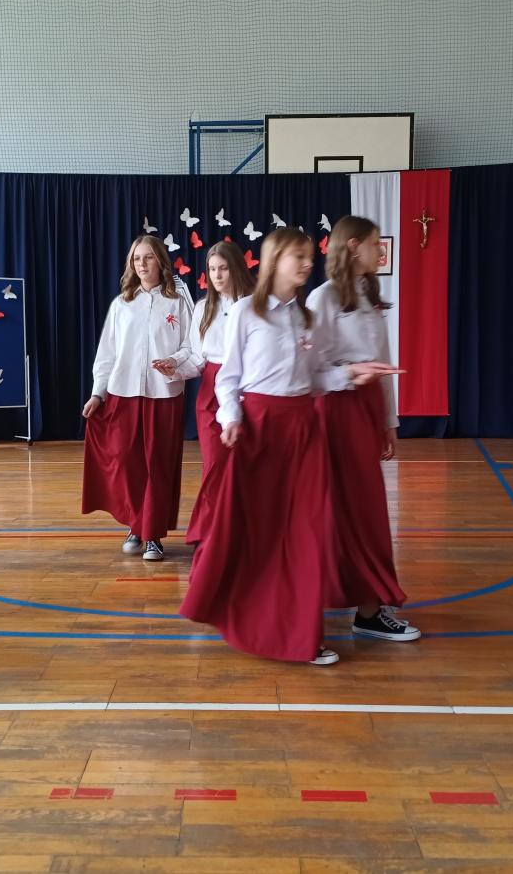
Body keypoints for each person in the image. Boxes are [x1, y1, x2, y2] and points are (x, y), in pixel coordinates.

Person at [180, 228, 400, 665]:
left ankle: (301, 633)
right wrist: (231, 419)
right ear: (275, 259)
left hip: (304, 431)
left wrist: (350, 374)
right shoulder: (245, 312)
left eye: (308, 256)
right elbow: (228, 378)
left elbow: (314, 379)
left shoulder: (304, 317)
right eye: (297, 256)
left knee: (306, 533)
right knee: (261, 533)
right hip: (261, 431)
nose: (307, 263)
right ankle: (263, 622)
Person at [308, 215, 419, 642]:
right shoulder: (323, 298)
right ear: (353, 247)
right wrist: (350, 374)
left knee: (366, 510)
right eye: (375, 244)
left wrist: (388, 422)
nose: (380, 251)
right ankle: (360, 606)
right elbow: (312, 369)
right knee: (344, 510)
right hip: (336, 411)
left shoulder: (370, 296)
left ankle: (368, 606)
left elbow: (383, 364)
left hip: (364, 410)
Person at [82, 235, 194, 561]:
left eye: (148, 257)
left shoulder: (178, 301)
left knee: (158, 464)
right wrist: (98, 393)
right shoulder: (122, 304)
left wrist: (173, 361)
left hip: (164, 394)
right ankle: (136, 524)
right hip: (124, 394)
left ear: (160, 261)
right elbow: (107, 353)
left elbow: (191, 345)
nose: (142, 264)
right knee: (127, 463)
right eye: (136, 259)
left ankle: (152, 535)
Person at [162, 240, 255, 477]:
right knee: (215, 465)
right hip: (211, 392)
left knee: (245, 468)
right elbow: (197, 358)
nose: (217, 275)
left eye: (223, 268)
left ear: (236, 267)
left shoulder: (255, 305)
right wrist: (174, 369)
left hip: (249, 386)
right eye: (212, 269)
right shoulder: (203, 308)